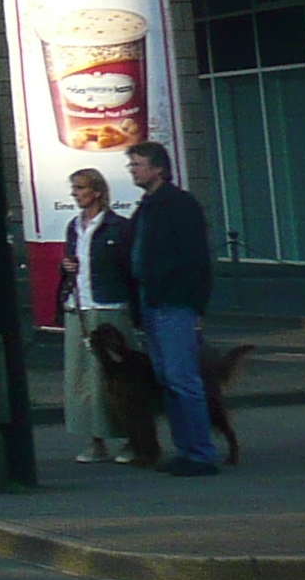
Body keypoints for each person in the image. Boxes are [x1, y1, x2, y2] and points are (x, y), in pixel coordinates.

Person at [124, 142, 220, 477]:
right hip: (151, 300)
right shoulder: (147, 205)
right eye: (131, 165)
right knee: (167, 379)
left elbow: (195, 258)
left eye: (138, 164)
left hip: (173, 302)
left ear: (159, 169)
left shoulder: (178, 204)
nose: (133, 170)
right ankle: (186, 449)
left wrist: (194, 304)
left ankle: (200, 453)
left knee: (182, 379)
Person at [60, 167, 138, 465]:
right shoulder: (73, 226)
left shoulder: (118, 227)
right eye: (74, 188)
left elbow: (128, 269)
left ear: (97, 191)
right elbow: (71, 261)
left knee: (116, 376)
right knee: (83, 377)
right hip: (79, 306)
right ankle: (96, 439)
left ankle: (131, 436)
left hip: (109, 306)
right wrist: (66, 268)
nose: (76, 194)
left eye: (80, 188)